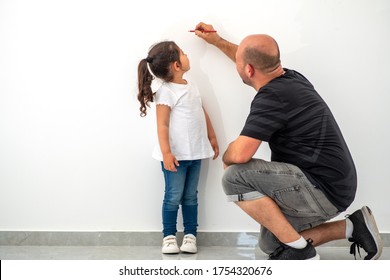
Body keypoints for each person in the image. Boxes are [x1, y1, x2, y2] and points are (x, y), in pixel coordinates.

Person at [193, 22, 382, 260]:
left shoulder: (271, 98)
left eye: (241, 64)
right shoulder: (291, 78)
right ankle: (354, 226)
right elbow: (252, 59)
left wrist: (227, 155)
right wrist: (217, 41)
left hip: (322, 188)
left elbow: (240, 155)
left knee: (234, 176)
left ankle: (303, 254)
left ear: (248, 70)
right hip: (336, 184)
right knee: (271, 244)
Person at [137, 41, 219, 254]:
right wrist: (166, 153)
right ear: (176, 65)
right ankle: (169, 237)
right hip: (174, 156)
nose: (187, 53)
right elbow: (162, 125)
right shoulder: (166, 92)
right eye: (183, 52)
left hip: (196, 152)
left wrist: (211, 136)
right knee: (173, 196)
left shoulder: (192, 86)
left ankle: (191, 236)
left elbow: (201, 112)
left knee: (191, 195)